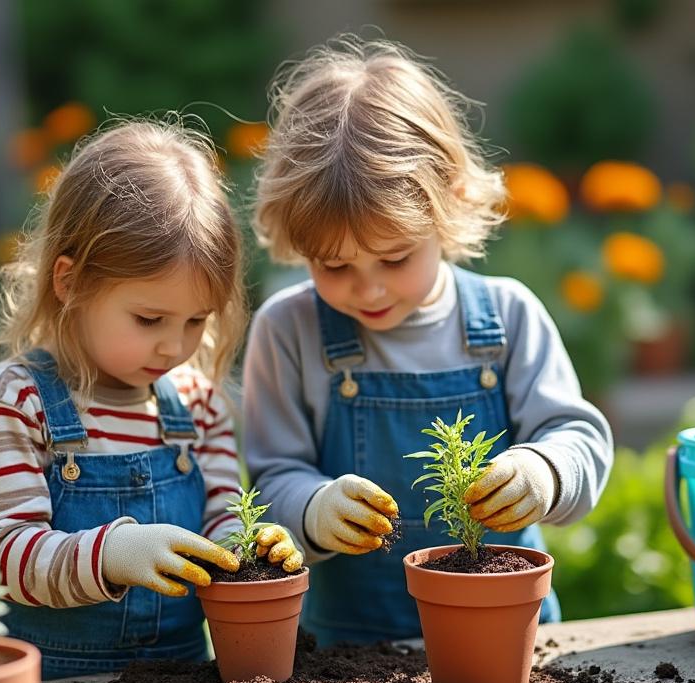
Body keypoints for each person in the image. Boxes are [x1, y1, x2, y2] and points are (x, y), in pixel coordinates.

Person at [244, 37, 613, 645]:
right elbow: (272, 476)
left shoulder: (507, 315)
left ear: (449, 205)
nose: (368, 289)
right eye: (334, 266)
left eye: (394, 257)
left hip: (508, 638)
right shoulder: (289, 329)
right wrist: (313, 509)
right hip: (346, 656)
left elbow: (581, 438)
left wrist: (541, 471)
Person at [0, 119, 303, 678]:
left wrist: (250, 547)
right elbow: (0, 557)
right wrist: (113, 555)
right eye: (149, 319)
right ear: (69, 282)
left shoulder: (196, 404)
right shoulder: (13, 402)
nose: (175, 345)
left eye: (196, 320)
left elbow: (219, 520)